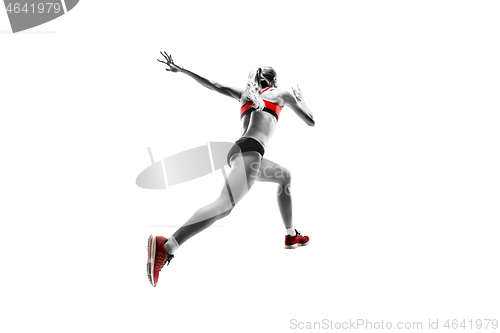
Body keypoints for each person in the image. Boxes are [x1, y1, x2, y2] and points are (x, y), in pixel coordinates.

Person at [147, 52, 315, 287]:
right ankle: (167, 245)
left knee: (284, 177)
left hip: (241, 151)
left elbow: (214, 85)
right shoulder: (280, 94)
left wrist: (183, 70)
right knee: (223, 205)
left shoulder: (247, 94)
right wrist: (301, 100)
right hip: (251, 152)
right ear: (273, 81)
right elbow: (310, 120)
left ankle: (290, 234)